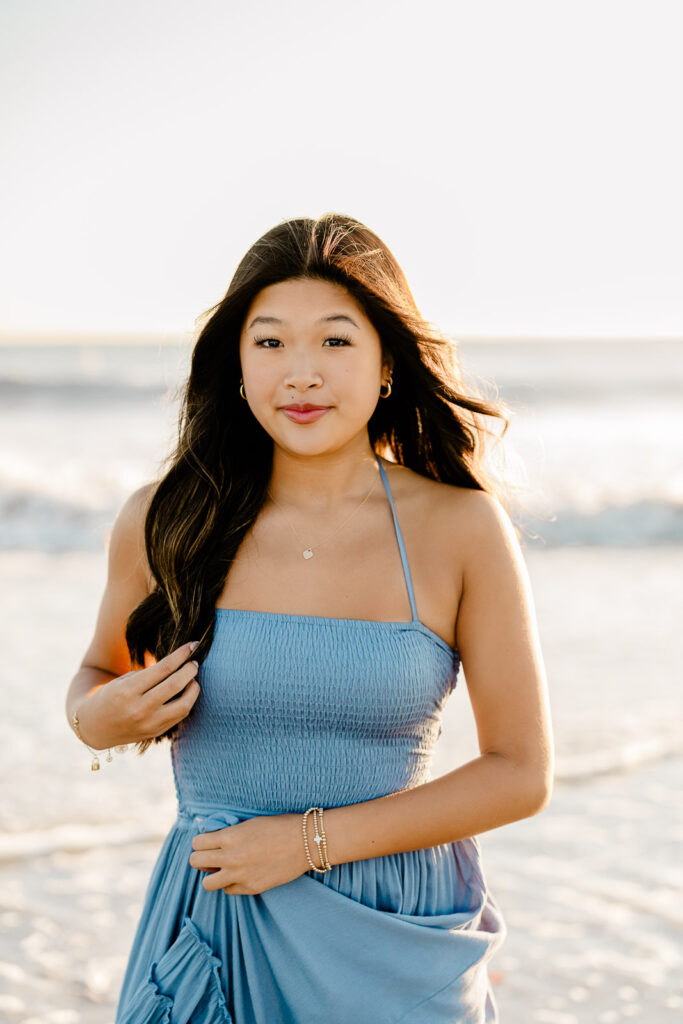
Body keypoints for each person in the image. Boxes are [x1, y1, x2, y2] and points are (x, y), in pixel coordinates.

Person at [65, 212, 554, 1023]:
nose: (300, 374)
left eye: (334, 342)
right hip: (217, 922)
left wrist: (306, 842)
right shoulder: (165, 519)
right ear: (235, 361)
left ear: (387, 360)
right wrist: (98, 718)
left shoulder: (460, 529)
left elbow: (520, 772)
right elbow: (96, 679)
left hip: (391, 934)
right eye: (269, 343)